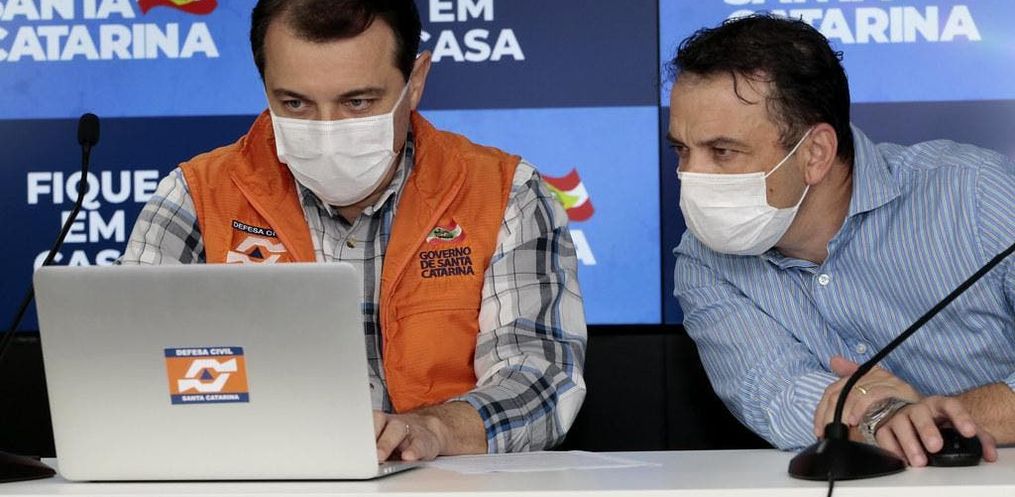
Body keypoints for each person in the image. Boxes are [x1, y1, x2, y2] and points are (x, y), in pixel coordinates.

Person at [120, 0, 586, 462]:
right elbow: (125, 374)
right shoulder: (196, 196)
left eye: (357, 102)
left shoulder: (505, 192)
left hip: (444, 485)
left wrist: (434, 429)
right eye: (295, 103)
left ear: (415, 82)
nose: (327, 131)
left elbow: (541, 379)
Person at [668, 14, 1014, 466]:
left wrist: (942, 421)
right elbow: (776, 393)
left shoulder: (978, 193)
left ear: (815, 153)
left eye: (722, 151)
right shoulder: (703, 260)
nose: (692, 175)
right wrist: (882, 415)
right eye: (681, 150)